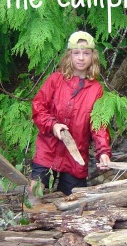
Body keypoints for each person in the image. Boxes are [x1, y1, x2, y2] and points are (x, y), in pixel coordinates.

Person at [29, 31, 111, 202]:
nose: (81, 58)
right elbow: (38, 107)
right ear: (70, 55)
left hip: (75, 154)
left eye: (86, 53)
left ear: (93, 57)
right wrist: (53, 125)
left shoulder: (96, 89)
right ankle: (28, 221)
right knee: (35, 190)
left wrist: (103, 151)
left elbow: (99, 125)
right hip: (48, 147)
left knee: (74, 200)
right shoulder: (55, 80)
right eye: (76, 53)